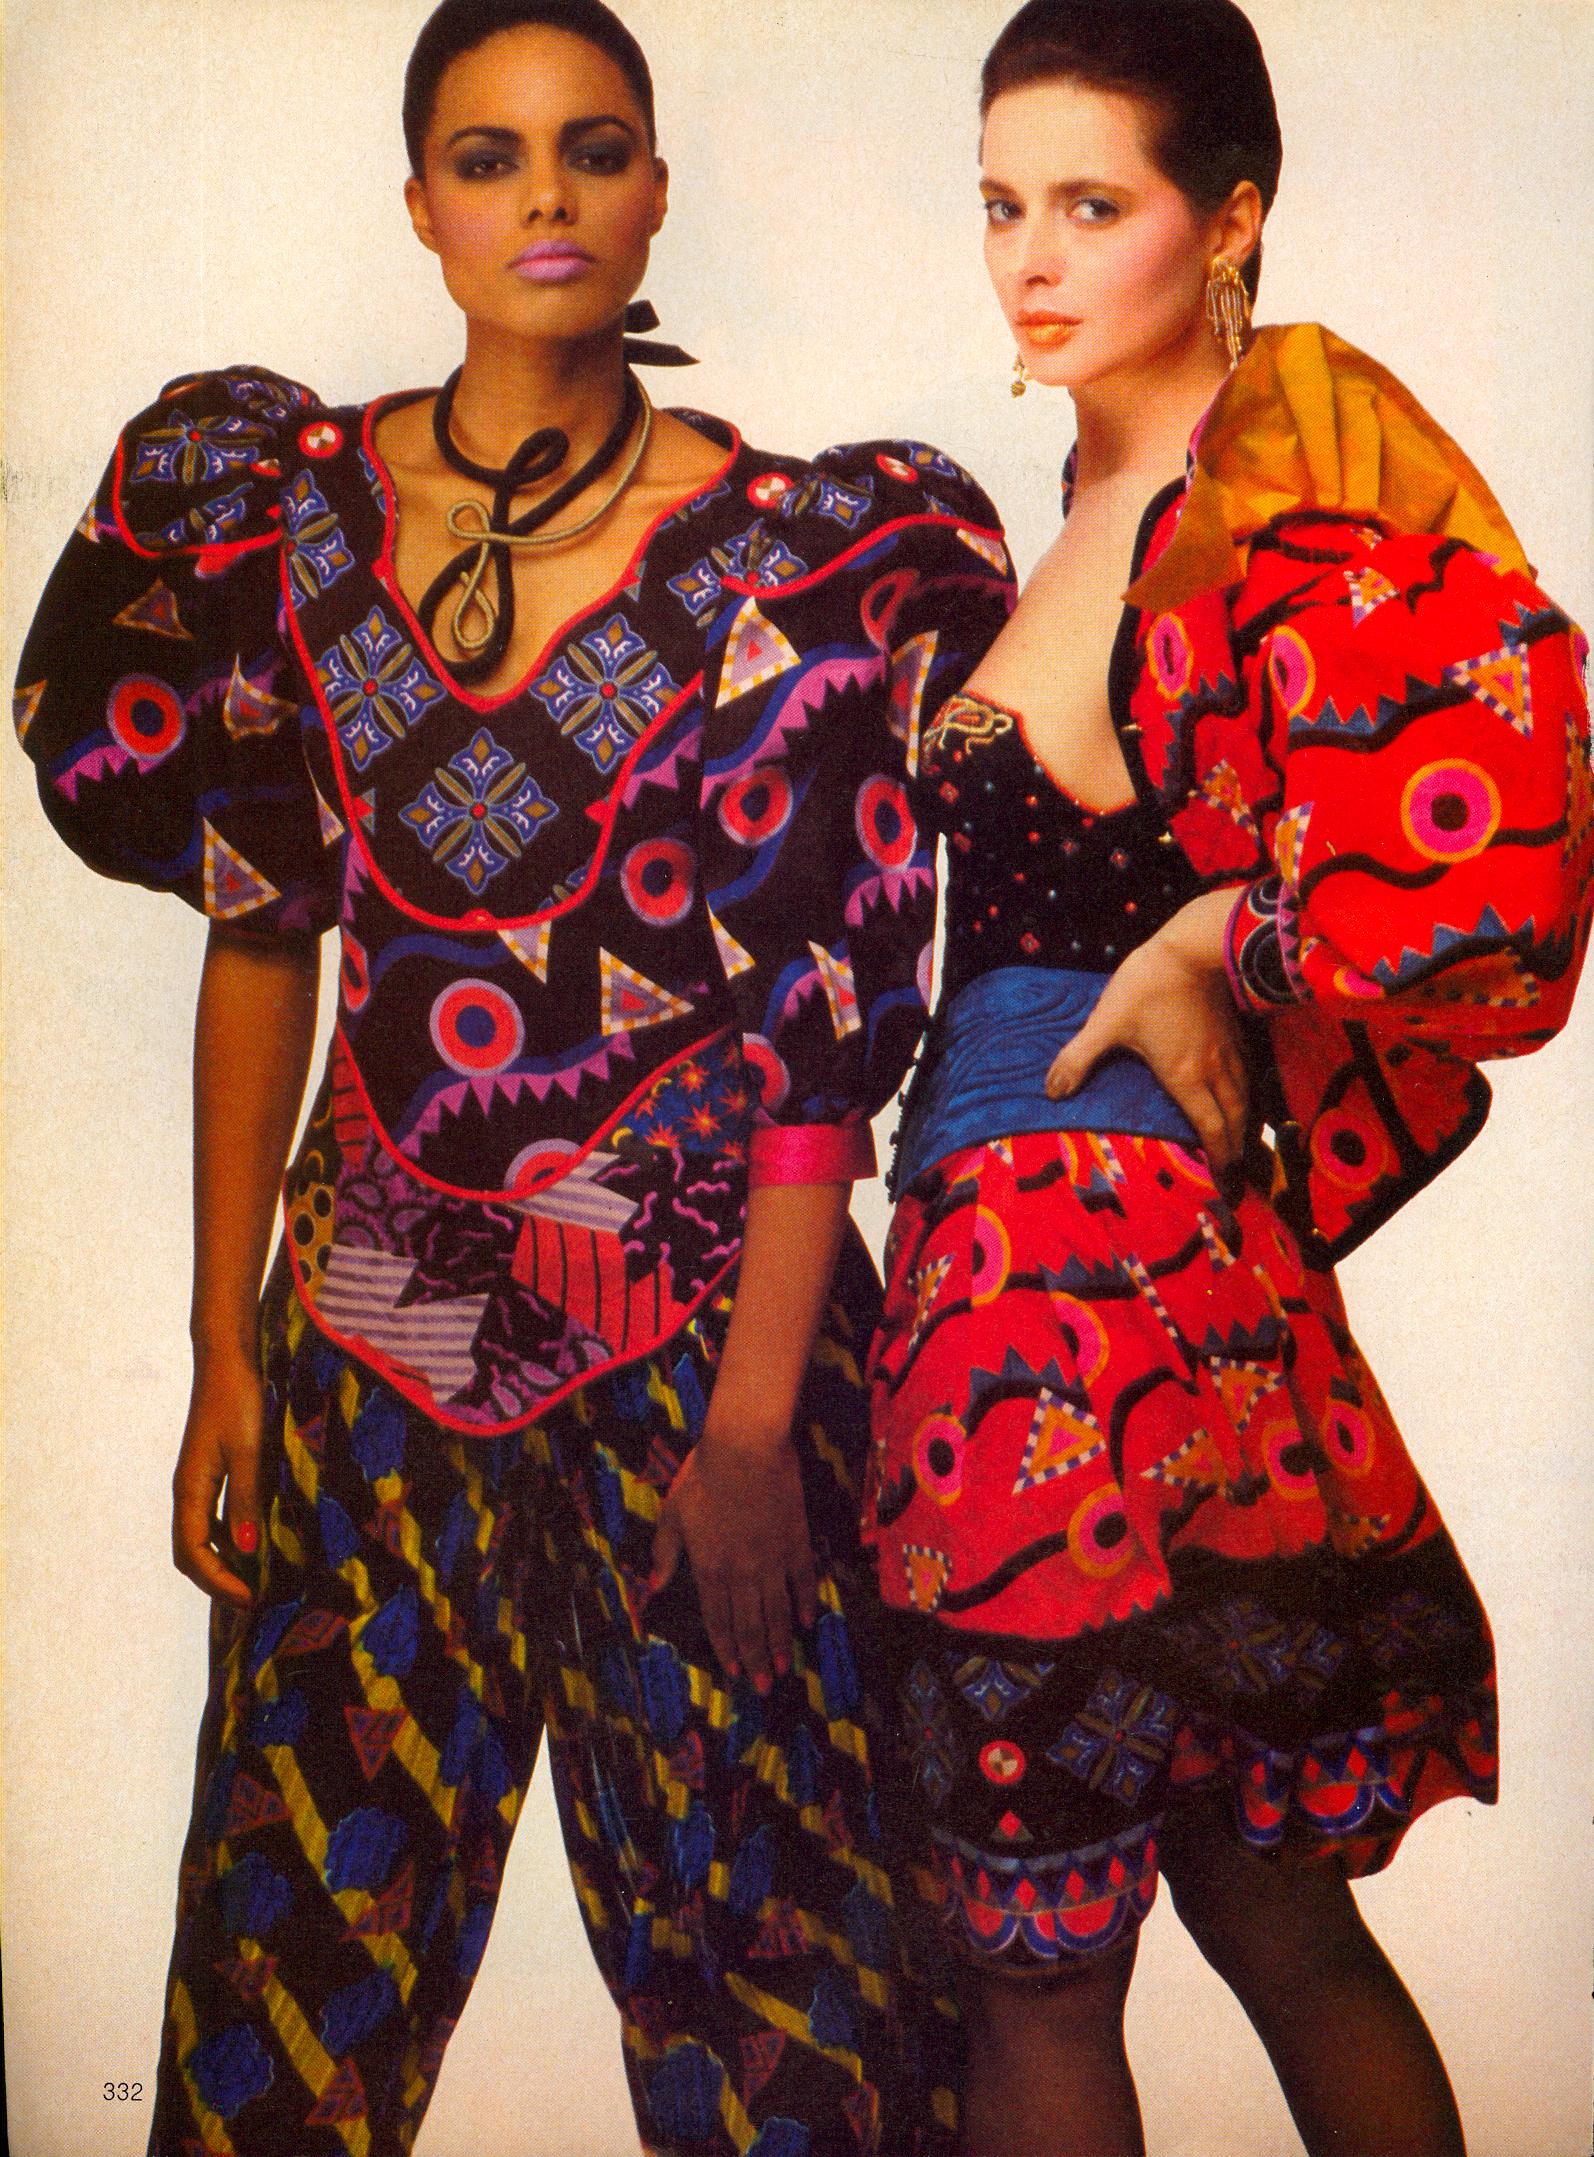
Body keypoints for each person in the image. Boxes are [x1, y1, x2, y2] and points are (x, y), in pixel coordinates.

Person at [12, 2, 1013, 2150]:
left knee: (790, 2019)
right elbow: (261, 926)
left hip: (711, 1347)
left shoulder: (800, 553)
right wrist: (221, 1346)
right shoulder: (282, 515)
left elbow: (819, 1038)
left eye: (591, 148)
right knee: (287, 1998)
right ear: (420, 205)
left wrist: (752, 1429)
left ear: (652, 193)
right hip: (371, 1335)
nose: (543, 196)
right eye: (488, 157)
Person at [862, 4, 1593, 2154]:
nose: (1030, 256)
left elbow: (1497, 853)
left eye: (1092, 204)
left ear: (1230, 220)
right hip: (1141, 1291)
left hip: (1050, 1302)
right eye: (1002, 203)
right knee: (1263, 1915)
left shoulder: (1267, 485)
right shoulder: (1082, 502)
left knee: (1036, 1977)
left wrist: (1222, 939)